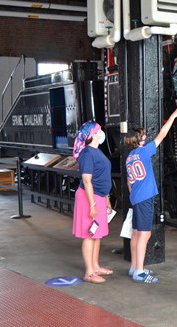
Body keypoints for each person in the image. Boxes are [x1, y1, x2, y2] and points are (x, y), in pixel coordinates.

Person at [124, 104, 177, 283]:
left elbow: (129, 182)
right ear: (140, 140)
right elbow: (162, 134)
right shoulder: (144, 152)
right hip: (145, 198)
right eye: (143, 136)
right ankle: (140, 271)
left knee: (135, 232)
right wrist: (173, 115)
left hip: (135, 197)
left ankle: (134, 266)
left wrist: (134, 196)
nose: (146, 137)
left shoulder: (130, 156)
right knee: (145, 233)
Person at [72, 121, 113, 284]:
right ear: (92, 135)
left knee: (97, 234)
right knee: (89, 235)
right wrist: (93, 205)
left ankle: (95, 266)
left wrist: (106, 198)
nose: (102, 132)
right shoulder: (87, 153)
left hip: (99, 196)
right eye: (99, 130)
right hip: (89, 198)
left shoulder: (95, 151)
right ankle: (89, 273)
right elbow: (87, 181)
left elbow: (102, 177)